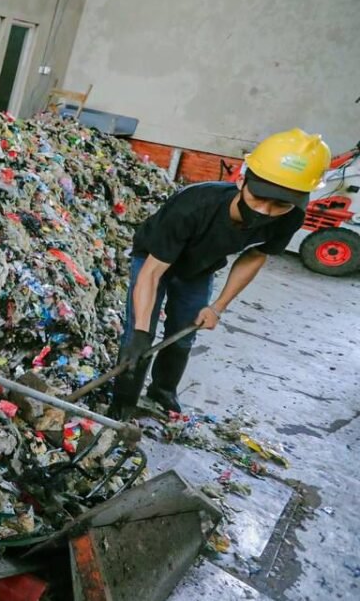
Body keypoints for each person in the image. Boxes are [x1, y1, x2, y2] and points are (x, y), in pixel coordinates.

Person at [109, 129, 331, 419]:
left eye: (281, 204)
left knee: (183, 334)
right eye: (260, 197)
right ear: (242, 180)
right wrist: (139, 333)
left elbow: (256, 254)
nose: (265, 211)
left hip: (200, 266)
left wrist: (217, 307)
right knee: (138, 337)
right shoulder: (193, 205)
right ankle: (122, 403)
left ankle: (163, 390)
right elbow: (152, 273)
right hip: (155, 258)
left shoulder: (290, 217)